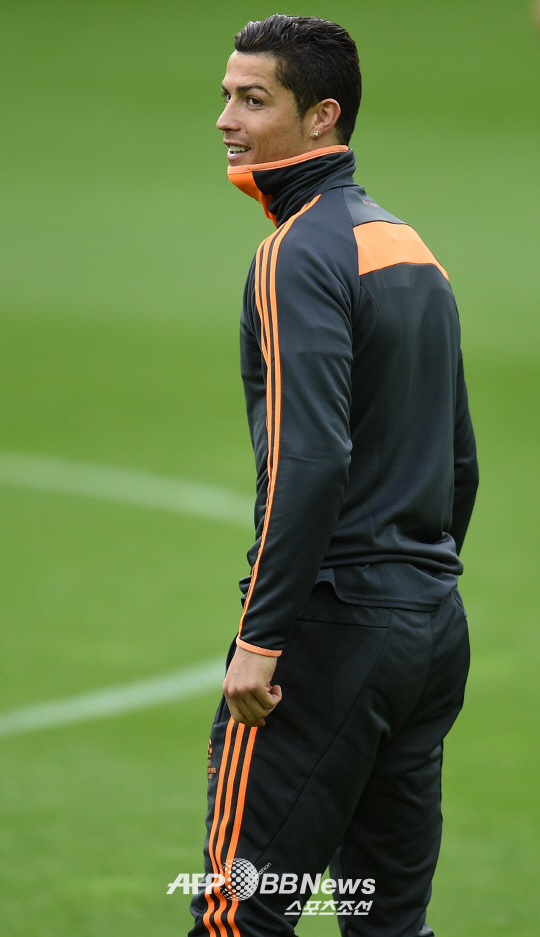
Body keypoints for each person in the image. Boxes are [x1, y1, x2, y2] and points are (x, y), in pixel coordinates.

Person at [189, 14, 478, 937]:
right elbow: (460, 461)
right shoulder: (408, 246)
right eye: (227, 96)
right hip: (428, 631)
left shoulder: (295, 254)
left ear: (322, 116)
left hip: (331, 634)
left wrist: (262, 637)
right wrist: (413, 594)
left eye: (253, 99)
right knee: (388, 923)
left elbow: (308, 460)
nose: (226, 119)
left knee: (239, 917)